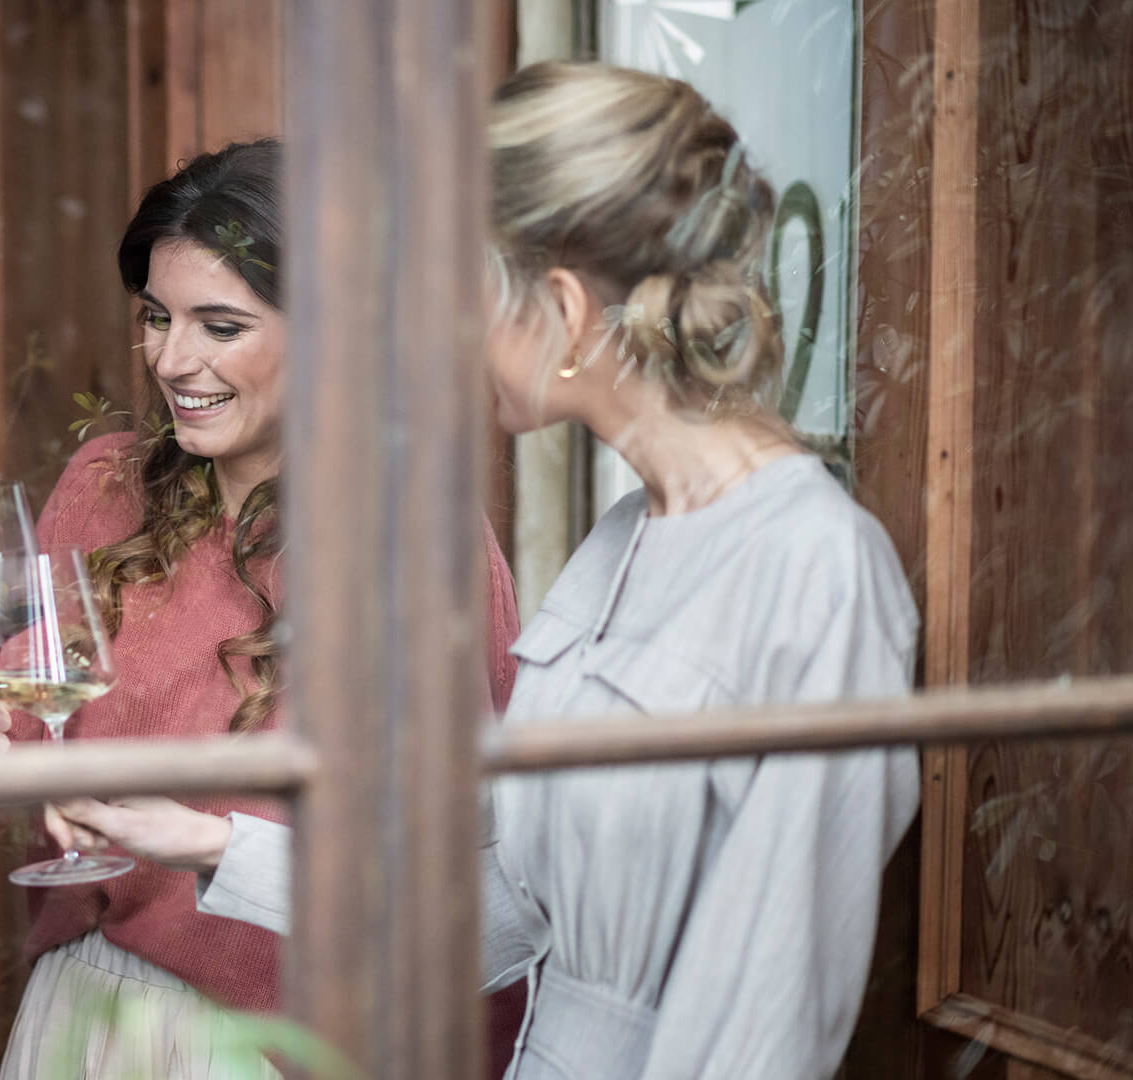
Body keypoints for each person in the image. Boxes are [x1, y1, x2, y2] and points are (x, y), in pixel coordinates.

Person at [51, 62, 922, 1080]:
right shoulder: (627, 539)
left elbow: (771, 1023)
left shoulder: (812, 567)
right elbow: (506, 918)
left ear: (562, 308)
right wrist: (204, 847)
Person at [0, 138, 522, 1078]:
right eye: (157, 317)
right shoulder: (108, 487)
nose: (170, 357)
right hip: (86, 1015)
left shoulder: (412, 540)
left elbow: (467, 885)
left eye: (221, 326)